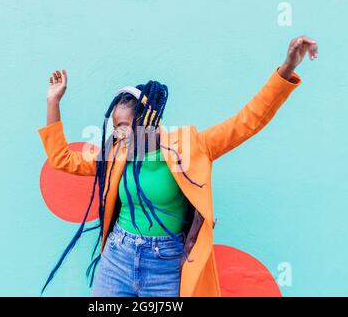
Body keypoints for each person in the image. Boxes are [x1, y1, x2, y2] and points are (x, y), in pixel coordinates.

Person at [38, 36, 318, 297]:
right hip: (117, 258)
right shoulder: (117, 153)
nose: (117, 134)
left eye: (123, 126)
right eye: (114, 127)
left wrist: (287, 68)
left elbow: (248, 121)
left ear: (147, 119)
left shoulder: (190, 146)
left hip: (165, 264)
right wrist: (53, 101)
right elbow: (63, 159)